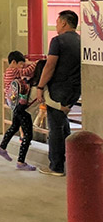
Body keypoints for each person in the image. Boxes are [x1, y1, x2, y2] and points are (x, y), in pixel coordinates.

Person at [37, 10, 81, 177]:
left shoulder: (58, 41)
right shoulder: (80, 41)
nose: (56, 25)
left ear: (64, 23)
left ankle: (56, 166)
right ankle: (72, 161)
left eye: (57, 22)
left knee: (55, 128)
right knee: (64, 124)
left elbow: (50, 66)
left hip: (58, 90)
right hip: (74, 90)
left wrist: (40, 87)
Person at [0, 51, 38, 171]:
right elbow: (26, 72)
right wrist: (36, 63)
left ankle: (2, 148)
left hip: (14, 105)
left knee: (14, 126)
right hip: (20, 105)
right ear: (13, 62)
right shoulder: (13, 71)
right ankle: (21, 162)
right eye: (20, 64)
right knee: (28, 134)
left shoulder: (8, 72)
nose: (22, 67)